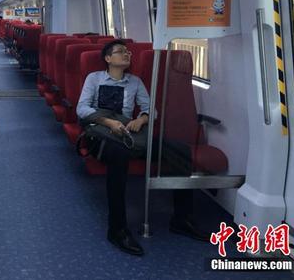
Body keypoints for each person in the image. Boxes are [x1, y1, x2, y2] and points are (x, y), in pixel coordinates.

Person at [76, 40, 208, 256]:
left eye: (127, 52)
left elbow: (150, 109)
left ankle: (182, 219)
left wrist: (142, 119)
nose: (126, 54)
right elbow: (82, 109)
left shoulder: (134, 82)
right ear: (108, 59)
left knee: (179, 150)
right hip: (101, 134)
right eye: (120, 52)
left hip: (128, 134)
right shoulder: (95, 78)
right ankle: (117, 229)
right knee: (119, 155)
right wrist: (109, 122)